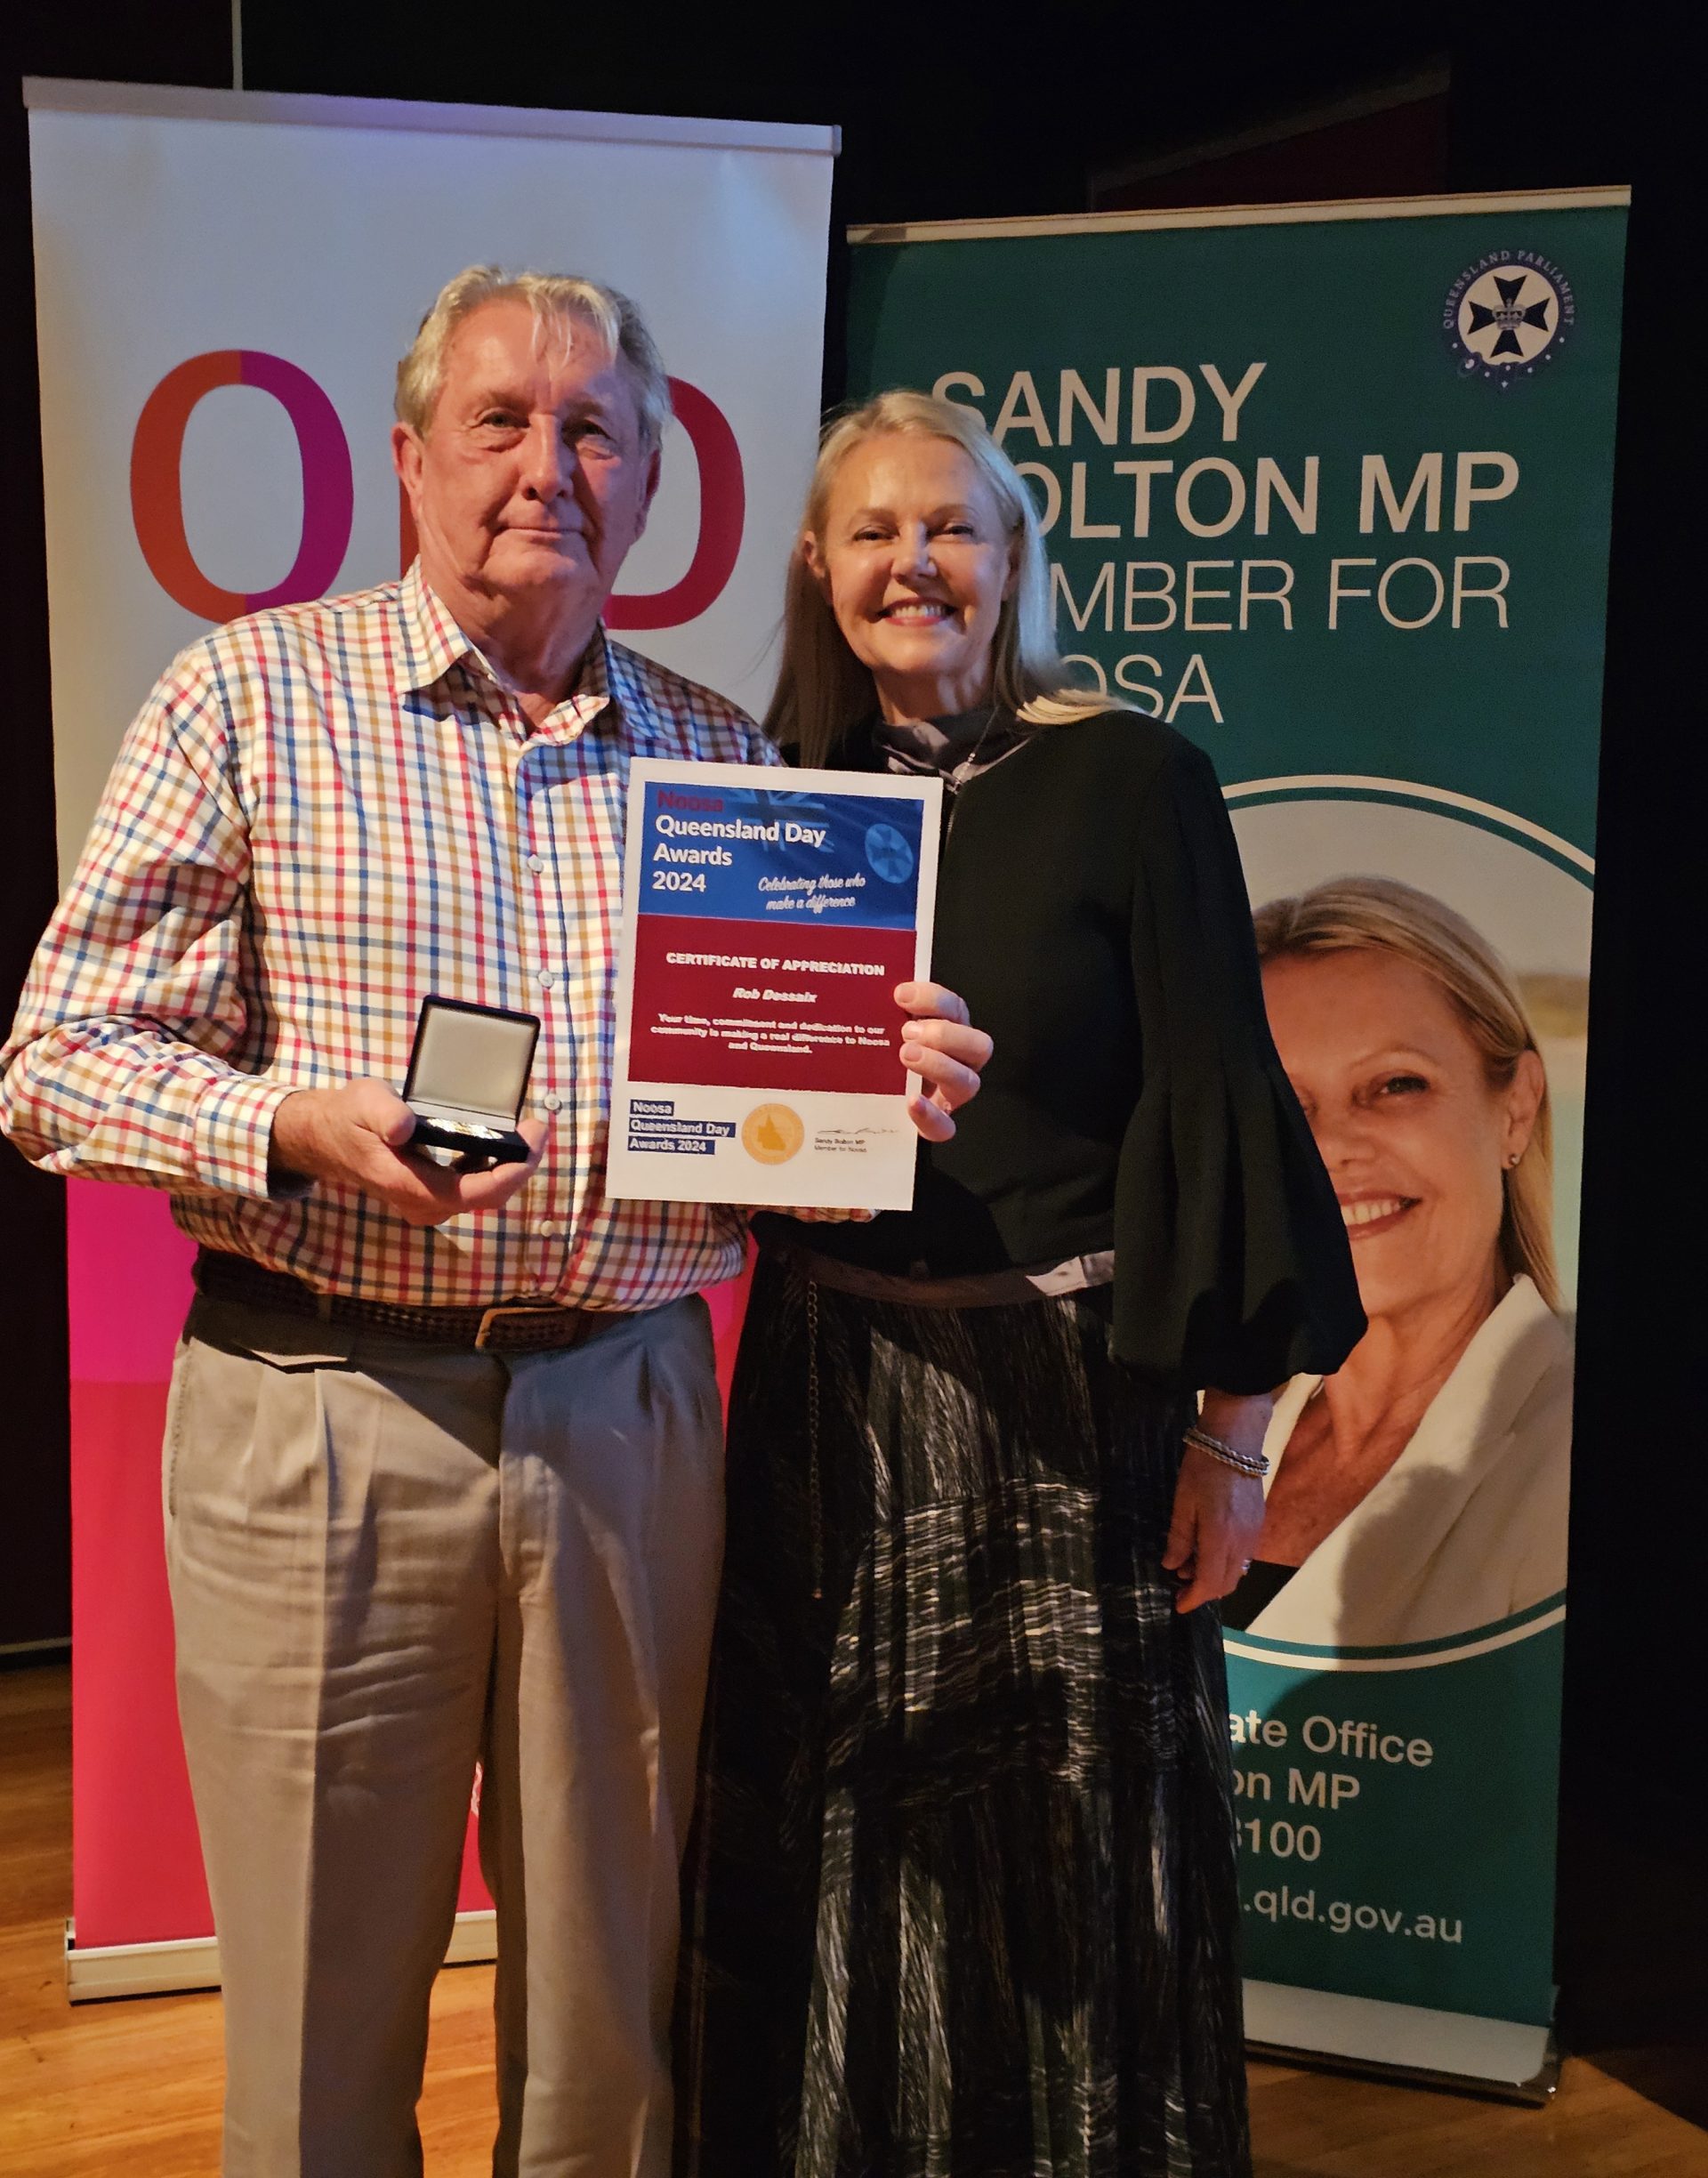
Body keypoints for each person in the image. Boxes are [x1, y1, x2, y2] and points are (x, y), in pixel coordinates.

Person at [0, 272, 988, 2178]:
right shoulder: (247, 697)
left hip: (630, 1413)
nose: (550, 465)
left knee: (615, 2007)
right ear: (408, 458)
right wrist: (288, 1123)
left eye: (595, 429)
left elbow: (766, 1137)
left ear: (650, 481)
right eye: (502, 421)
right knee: (316, 2008)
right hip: (322, 1408)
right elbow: (55, 1063)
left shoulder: (723, 762)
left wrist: (875, 1085)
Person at [672, 391, 1364, 2178]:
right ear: (818, 568)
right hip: (825, 1388)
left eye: (952, 528)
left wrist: (1231, 1437)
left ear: (1015, 560)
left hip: (1068, 1401)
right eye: (876, 532)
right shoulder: (774, 805)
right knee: (837, 1821)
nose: (915, 564)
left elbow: (1219, 1106)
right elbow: (715, 1123)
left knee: (1076, 1847)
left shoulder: (1137, 782)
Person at [1221, 877, 1572, 1647]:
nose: (1331, 1148)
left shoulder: (1601, 1452)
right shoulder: (1198, 1421)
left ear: (1516, 1108)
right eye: (1284, 1107)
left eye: (1396, 1085)